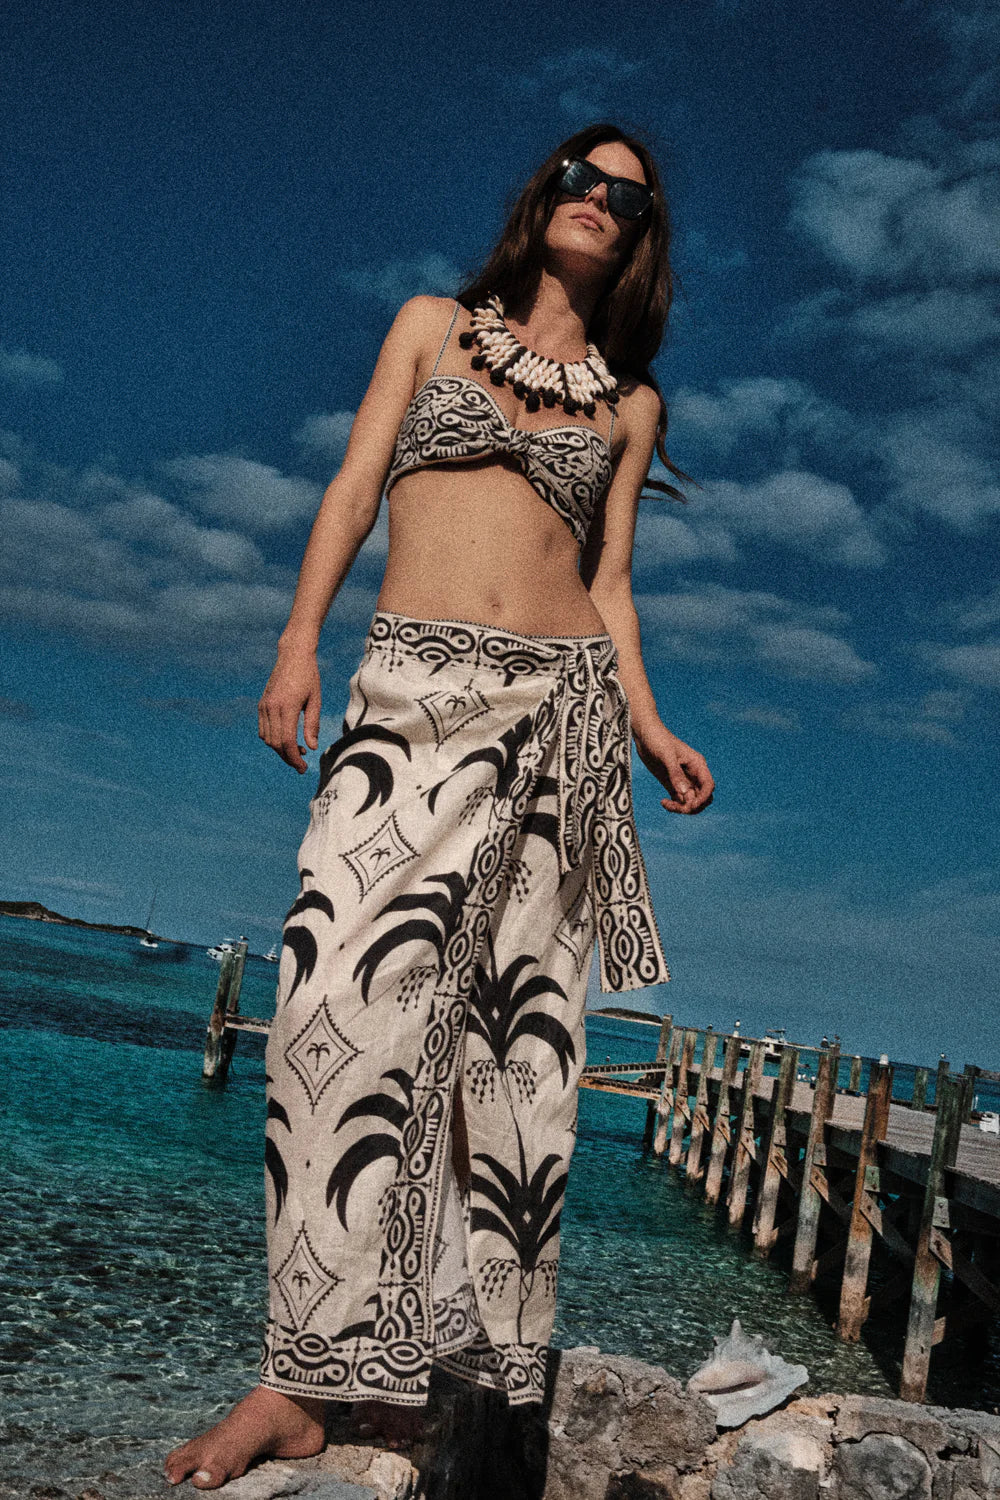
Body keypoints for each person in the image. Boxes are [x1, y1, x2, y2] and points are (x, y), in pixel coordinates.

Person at [165, 120, 714, 1491]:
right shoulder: (432, 327)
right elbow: (355, 486)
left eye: (627, 200)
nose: (599, 203)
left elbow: (612, 587)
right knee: (326, 1009)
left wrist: (647, 725)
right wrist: (297, 646)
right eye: (582, 180)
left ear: (640, 240)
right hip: (406, 699)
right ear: (546, 198)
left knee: (506, 1069)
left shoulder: (628, 405)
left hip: (554, 727)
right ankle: (298, 1377)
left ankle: (430, 1384)